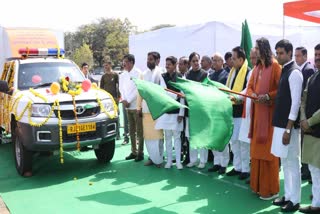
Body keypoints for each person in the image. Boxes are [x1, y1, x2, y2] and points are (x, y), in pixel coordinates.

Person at [247, 37, 282, 200]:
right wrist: (253, 94)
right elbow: (250, 87)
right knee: (256, 153)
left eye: (257, 48)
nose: (255, 50)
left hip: (269, 119)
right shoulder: (257, 68)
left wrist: (267, 96)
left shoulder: (275, 66)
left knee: (269, 154)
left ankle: (270, 190)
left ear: (264, 49)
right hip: (257, 118)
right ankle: (257, 187)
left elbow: (281, 90)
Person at [271, 39, 303, 212]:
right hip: (281, 125)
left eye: (281, 53)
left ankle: (295, 200)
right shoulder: (285, 70)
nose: (278, 56)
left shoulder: (295, 73)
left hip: (288, 127)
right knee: (285, 162)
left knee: (292, 163)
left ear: (290, 53)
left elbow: (296, 103)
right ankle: (288, 195)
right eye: (277, 53)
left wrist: (288, 129)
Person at [299, 43, 320, 213]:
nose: (318, 58)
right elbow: (303, 99)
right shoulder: (312, 77)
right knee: (314, 167)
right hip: (311, 131)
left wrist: (309, 121)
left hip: (316, 129)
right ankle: (317, 201)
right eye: (317, 55)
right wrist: (304, 119)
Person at [225, 47, 251, 179]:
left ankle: (245, 169)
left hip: (243, 113)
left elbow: (248, 90)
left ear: (241, 59)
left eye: (234, 59)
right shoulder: (232, 72)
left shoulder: (248, 72)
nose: (232, 61)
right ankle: (237, 167)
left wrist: (237, 97)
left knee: (243, 142)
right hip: (232, 112)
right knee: (234, 141)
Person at [137, 51, 166, 167]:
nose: (148, 61)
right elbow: (140, 91)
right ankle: (152, 158)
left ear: (157, 61)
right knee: (148, 136)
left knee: (158, 136)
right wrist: (138, 107)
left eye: (151, 59)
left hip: (157, 111)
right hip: (146, 110)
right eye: (148, 59)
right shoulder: (143, 74)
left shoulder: (161, 73)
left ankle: (159, 159)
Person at [155, 56, 184, 169]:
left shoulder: (181, 77)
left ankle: (178, 162)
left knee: (177, 137)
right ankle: (169, 161)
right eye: (166, 64)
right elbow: (164, 93)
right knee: (167, 137)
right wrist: (176, 96)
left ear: (175, 65)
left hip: (177, 113)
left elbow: (183, 96)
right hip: (166, 112)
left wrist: (181, 113)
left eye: (169, 64)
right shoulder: (162, 77)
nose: (167, 66)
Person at [295, 46, 315, 181]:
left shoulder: (308, 70)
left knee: (305, 143)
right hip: (303, 114)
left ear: (305, 56)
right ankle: (305, 169)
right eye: (295, 56)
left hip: (308, 115)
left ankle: (306, 170)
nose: (296, 58)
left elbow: (304, 95)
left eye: (298, 56)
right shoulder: (302, 69)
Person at [207, 53, 230, 174]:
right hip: (211, 110)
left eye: (217, 60)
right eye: (213, 60)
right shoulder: (209, 75)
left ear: (222, 62)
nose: (215, 62)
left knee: (222, 138)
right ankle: (216, 162)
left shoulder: (226, 75)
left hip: (221, 111)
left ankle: (224, 163)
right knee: (213, 137)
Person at [185, 52, 208, 169]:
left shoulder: (205, 74)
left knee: (202, 135)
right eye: (193, 61)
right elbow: (185, 91)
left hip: (201, 111)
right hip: (190, 110)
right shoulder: (187, 75)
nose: (195, 63)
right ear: (190, 62)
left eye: (197, 60)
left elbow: (205, 92)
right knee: (191, 136)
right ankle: (193, 160)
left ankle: (203, 160)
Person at [120, 54, 144, 162]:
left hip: (136, 106)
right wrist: (124, 100)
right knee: (131, 131)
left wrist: (128, 100)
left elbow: (137, 89)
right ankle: (133, 152)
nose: (124, 64)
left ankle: (140, 153)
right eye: (123, 61)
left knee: (139, 131)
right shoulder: (122, 74)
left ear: (131, 62)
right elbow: (121, 88)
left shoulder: (138, 73)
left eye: (126, 61)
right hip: (127, 107)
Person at [100, 60, 120, 140]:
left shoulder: (115, 75)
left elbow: (118, 86)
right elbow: (101, 88)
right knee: (107, 116)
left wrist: (118, 97)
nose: (105, 67)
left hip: (115, 99)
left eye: (107, 65)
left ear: (110, 65)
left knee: (116, 115)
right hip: (106, 100)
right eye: (104, 66)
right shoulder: (103, 76)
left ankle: (118, 133)